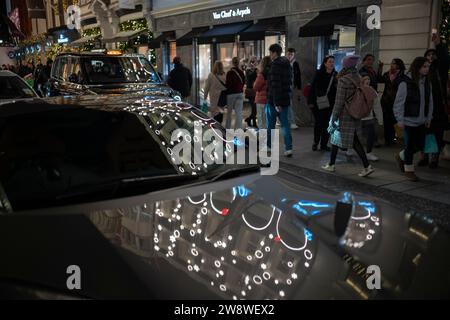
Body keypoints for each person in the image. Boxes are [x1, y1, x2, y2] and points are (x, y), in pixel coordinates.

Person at [322, 55, 375, 177]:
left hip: (344, 114)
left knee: (351, 140)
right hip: (355, 112)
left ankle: (366, 166)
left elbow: (339, 101)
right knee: (339, 137)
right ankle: (331, 164)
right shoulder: (358, 77)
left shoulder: (343, 80)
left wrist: (334, 117)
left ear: (345, 65)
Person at [394, 57, 434, 181]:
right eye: (424, 67)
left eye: (428, 66)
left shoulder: (427, 82)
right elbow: (398, 103)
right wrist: (400, 120)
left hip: (422, 121)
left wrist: (429, 117)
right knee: (410, 147)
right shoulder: (405, 82)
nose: (427, 69)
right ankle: (409, 170)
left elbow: (430, 101)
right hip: (408, 121)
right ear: (417, 67)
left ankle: (401, 156)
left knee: (421, 146)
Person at [418, 34, 450, 168]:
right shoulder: (421, 71)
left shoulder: (440, 70)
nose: (431, 57)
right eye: (428, 55)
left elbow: (446, 60)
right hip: (423, 107)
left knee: (436, 133)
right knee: (423, 133)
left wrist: (439, 44)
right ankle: (424, 156)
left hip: (437, 108)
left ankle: (434, 159)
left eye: (433, 55)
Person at [266, 43, 293, 157]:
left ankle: (269, 146)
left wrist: (277, 103)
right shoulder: (287, 64)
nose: (270, 55)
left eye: (270, 52)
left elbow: (275, 85)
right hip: (285, 99)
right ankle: (288, 148)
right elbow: (288, 83)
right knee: (285, 125)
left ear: (274, 53)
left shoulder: (275, 66)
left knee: (271, 125)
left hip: (274, 101)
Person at [307, 55, 337, 152]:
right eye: (330, 62)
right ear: (325, 63)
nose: (331, 64)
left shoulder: (335, 75)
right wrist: (310, 101)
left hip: (331, 104)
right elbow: (312, 88)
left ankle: (324, 144)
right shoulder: (319, 73)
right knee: (319, 124)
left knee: (327, 125)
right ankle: (315, 142)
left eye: (333, 62)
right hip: (318, 103)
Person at [359, 54, 384, 161]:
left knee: (370, 132)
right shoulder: (362, 72)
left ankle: (368, 152)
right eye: (368, 60)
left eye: (372, 60)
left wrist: (380, 119)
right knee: (356, 134)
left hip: (368, 115)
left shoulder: (372, 72)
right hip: (359, 115)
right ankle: (349, 148)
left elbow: (377, 106)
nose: (370, 62)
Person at [378, 58, 406, 146]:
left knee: (395, 120)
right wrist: (380, 68)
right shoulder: (387, 74)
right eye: (391, 63)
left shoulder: (402, 75)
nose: (391, 65)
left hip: (396, 101)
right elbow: (380, 79)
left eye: (394, 63)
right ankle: (388, 140)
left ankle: (394, 138)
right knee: (387, 121)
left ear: (398, 65)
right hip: (386, 101)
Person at [225, 57, 245, 129]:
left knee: (229, 112)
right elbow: (243, 82)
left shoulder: (229, 72)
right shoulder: (241, 72)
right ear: (238, 63)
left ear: (232, 63)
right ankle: (238, 129)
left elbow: (227, 84)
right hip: (239, 93)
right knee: (239, 112)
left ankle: (228, 129)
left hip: (231, 94)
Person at [286, 48, 303, 129]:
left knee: (289, 104)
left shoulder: (295, 63)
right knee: (288, 104)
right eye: (288, 54)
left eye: (291, 54)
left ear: (294, 55)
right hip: (285, 86)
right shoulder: (284, 62)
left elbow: (298, 76)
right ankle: (290, 122)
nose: (290, 56)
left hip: (292, 87)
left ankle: (291, 121)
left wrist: (299, 89)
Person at [253, 56, 271, 130]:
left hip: (261, 100)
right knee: (269, 120)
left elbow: (256, 87)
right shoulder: (273, 73)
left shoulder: (262, 74)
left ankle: (263, 139)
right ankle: (270, 138)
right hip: (270, 99)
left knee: (261, 121)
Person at [244, 56, 258, 128]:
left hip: (256, 91)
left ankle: (249, 119)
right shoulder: (248, 70)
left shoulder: (256, 69)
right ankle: (254, 123)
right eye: (252, 61)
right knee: (254, 108)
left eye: (255, 61)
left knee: (255, 108)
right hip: (250, 91)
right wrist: (255, 70)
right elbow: (250, 77)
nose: (253, 63)